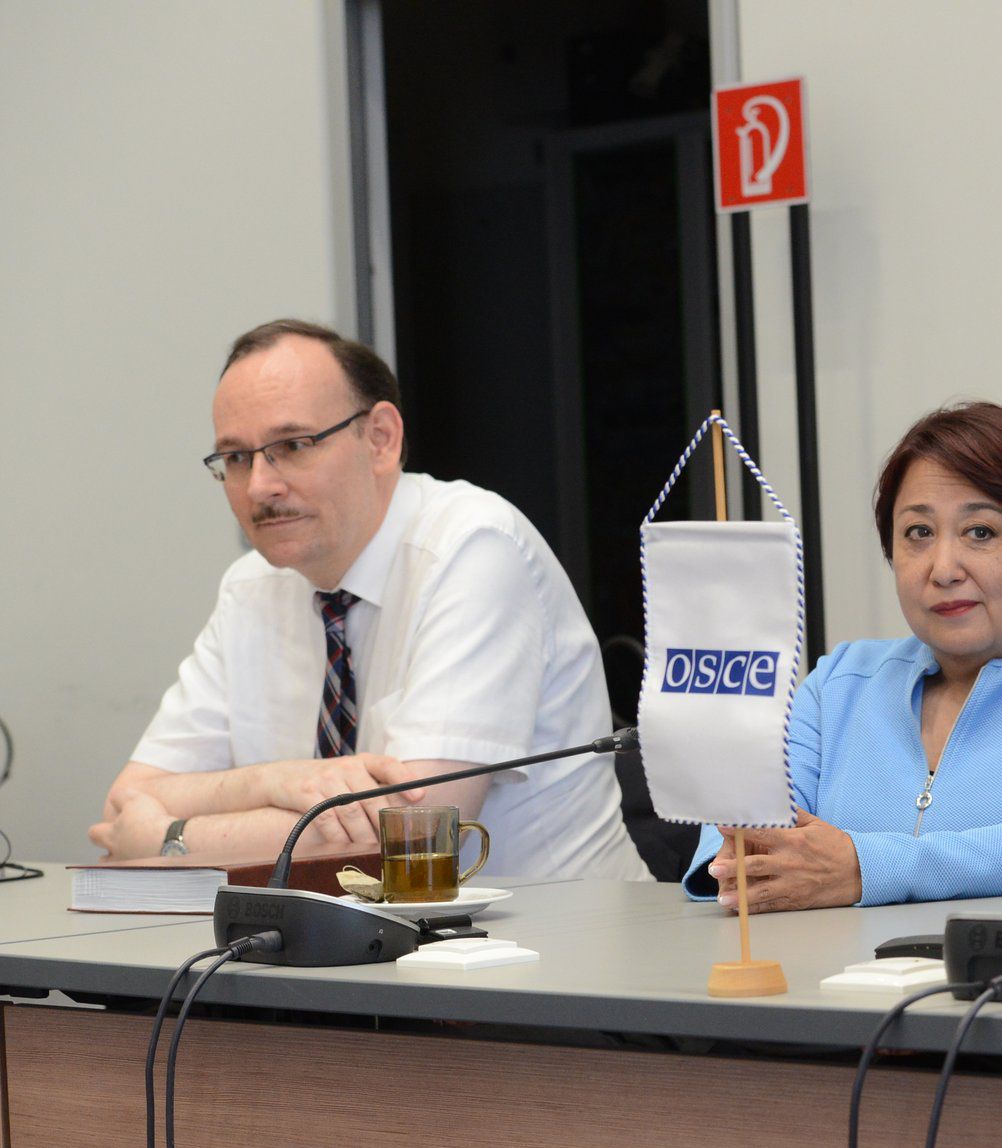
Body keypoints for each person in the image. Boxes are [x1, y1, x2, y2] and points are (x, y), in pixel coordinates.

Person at [92, 319, 649, 881]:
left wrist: (174, 838)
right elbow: (124, 804)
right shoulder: (251, 588)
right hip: (352, 929)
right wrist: (272, 780)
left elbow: (416, 835)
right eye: (236, 458)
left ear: (380, 438)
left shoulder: (474, 546)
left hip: (555, 926)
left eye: (292, 446)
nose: (260, 486)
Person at [687, 401, 1002, 911]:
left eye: (980, 532)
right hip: (828, 965)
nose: (943, 569)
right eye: (919, 533)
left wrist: (868, 867)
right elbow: (739, 827)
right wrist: (737, 859)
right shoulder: (840, 682)